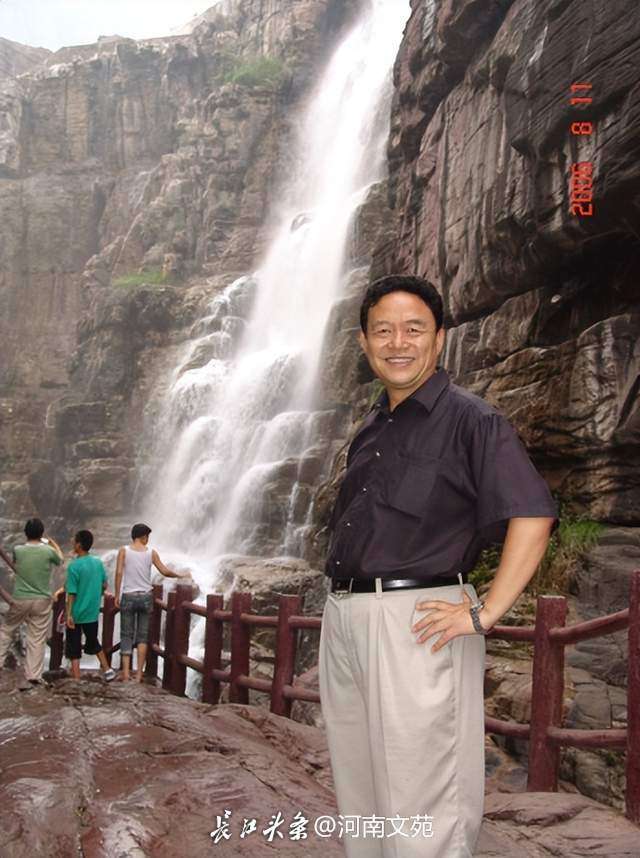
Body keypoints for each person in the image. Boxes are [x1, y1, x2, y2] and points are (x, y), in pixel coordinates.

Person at [318, 275, 558, 858]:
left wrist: (484, 613)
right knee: (362, 792)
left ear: (440, 338)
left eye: (414, 329)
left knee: (424, 801)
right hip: (345, 617)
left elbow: (533, 514)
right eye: (383, 331)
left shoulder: (472, 420)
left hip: (418, 621)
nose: (397, 343)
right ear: (363, 342)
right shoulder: (374, 426)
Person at [115, 523, 185, 682]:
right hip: (145, 597)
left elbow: (119, 572)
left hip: (128, 595)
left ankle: (126, 673)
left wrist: (117, 594)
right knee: (142, 637)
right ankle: (139, 675)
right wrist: (180, 575)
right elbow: (164, 571)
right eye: (147, 536)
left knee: (126, 635)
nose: (148, 539)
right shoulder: (151, 553)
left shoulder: (123, 551)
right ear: (143, 536)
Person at [0, 518, 63, 686]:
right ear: (41, 534)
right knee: (37, 637)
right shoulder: (48, 551)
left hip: (21, 597)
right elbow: (60, 560)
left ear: (25, 533)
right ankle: (33, 675)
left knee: (7, 630)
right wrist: (52, 543)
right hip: (42, 599)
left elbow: (17, 565)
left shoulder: (18, 550)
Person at [64, 529, 116, 682]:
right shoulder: (98, 563)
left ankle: (77, 678)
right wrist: (98, 593)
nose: (72, 542)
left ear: (79, 545)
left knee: (73, 646)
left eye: (74, 540)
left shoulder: (74, 566)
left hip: (76, 612)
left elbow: (71, 593)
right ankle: (107, 670)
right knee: (93, 641)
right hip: (92, 612)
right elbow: (104, 584)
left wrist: (69, 614)